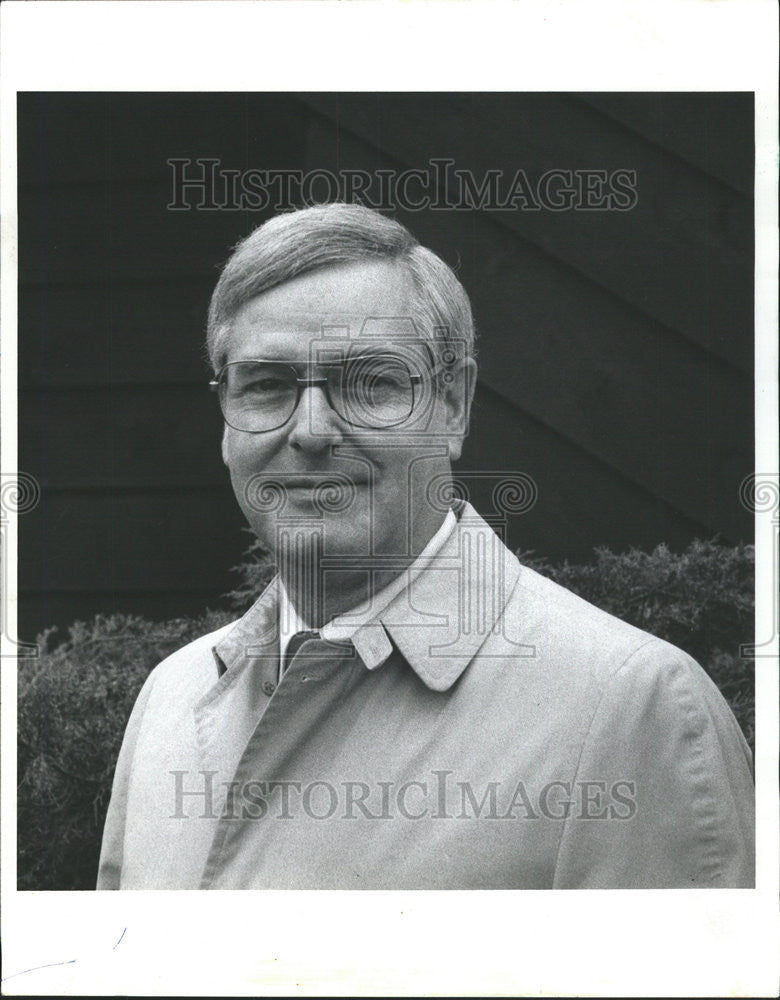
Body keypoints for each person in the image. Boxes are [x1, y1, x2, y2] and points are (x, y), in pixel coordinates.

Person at [97, 203, 754, 890]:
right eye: (267, 386)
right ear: (225, 418)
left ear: (455, 405)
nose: (313, 430)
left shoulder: (632, 707)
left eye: (371, 384)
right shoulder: (171, 697)